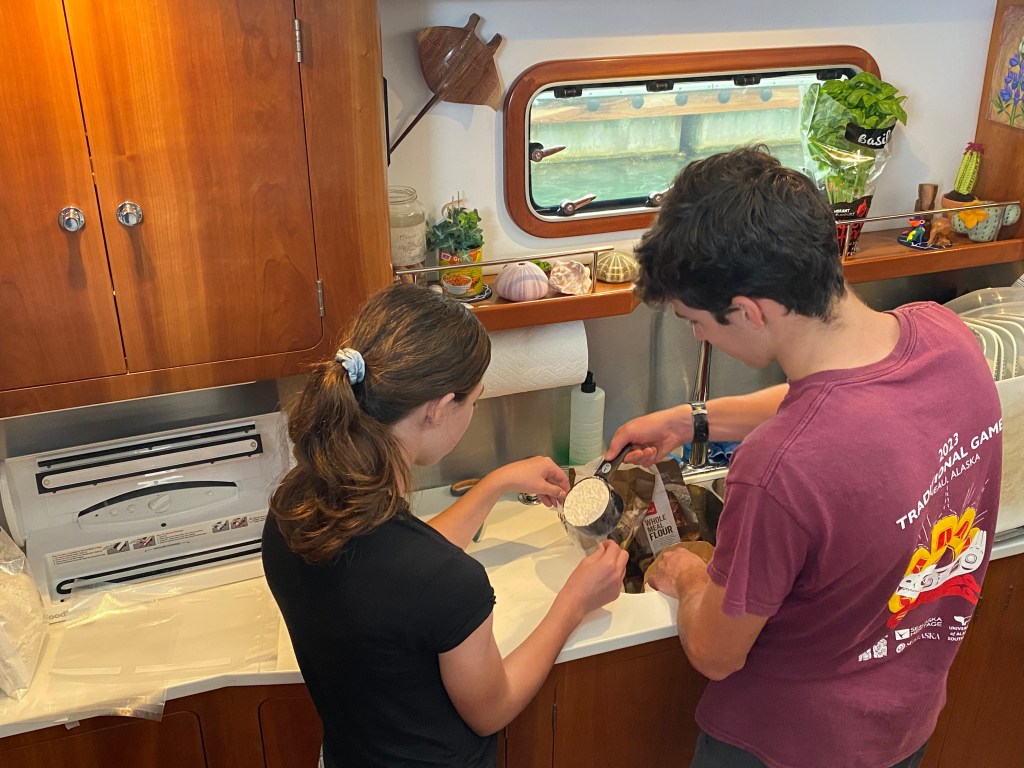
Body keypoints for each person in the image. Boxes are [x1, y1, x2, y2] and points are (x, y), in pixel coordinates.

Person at [606, 147, 1002, 768]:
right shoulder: (944, 335)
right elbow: (840, 398)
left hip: (782, 746)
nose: (698, 336)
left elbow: (716, 653)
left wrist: (684, 573)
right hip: (904, 727)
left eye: (694, 320)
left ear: (749, 311)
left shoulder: (778, 468)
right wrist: (691, 421)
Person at [262, 282, 627, 768]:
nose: (473, 412)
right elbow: (492, 710)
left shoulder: (293, 510)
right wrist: (574, 602)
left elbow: (398, 569)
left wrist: (496, 483)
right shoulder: (449, 582)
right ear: (436, 409)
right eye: (473, 401)